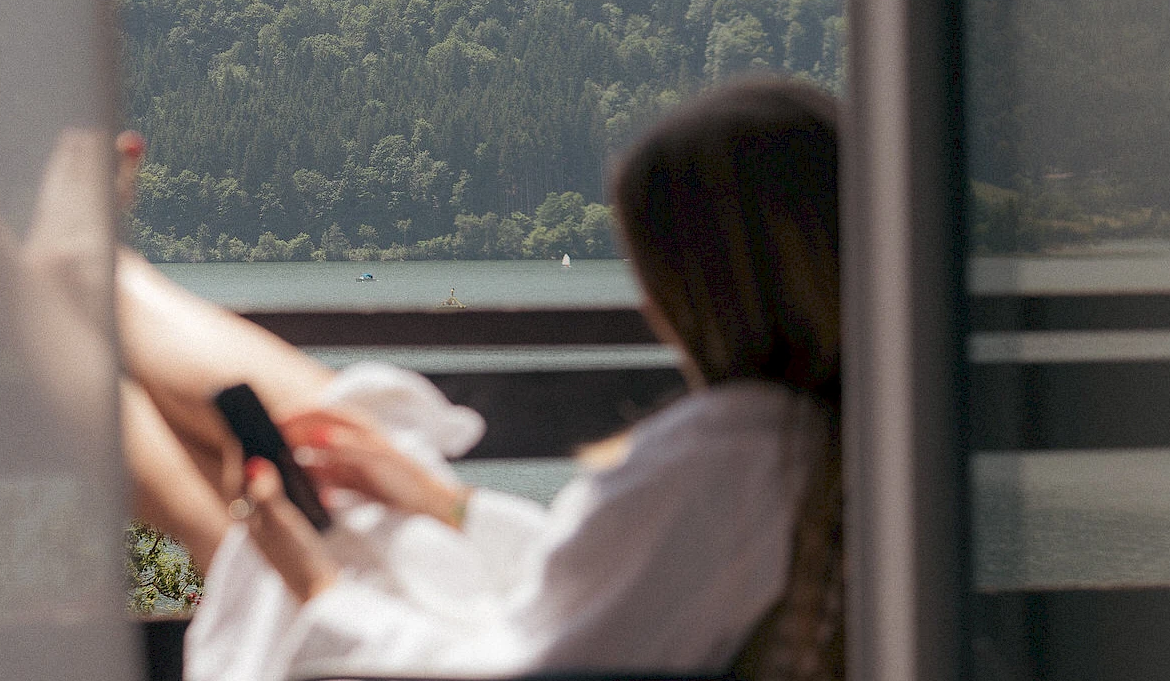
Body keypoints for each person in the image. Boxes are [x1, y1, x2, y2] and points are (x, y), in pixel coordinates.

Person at [117, 77, 843, 681]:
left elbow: (543, 659)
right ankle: (97, 281)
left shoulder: (724, 458)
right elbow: (604, 599)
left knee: (321, 513)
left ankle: (100, 278)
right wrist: (447, 504)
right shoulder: (832, 437)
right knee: (343, 482)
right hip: (489, 641)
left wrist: (318, 588)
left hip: (457, 660)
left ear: (689, 289)